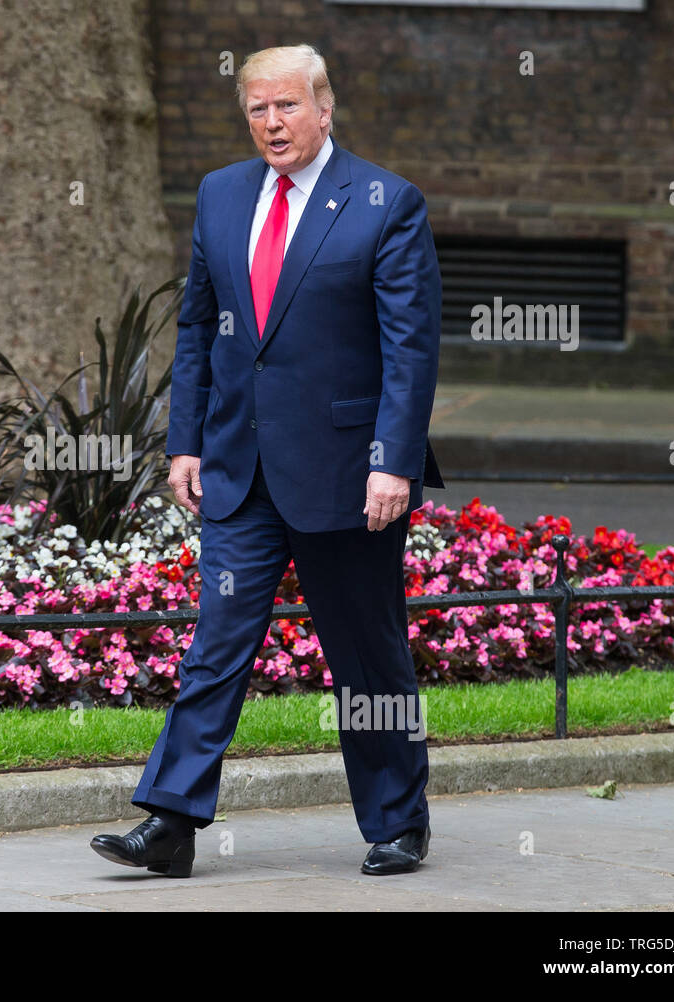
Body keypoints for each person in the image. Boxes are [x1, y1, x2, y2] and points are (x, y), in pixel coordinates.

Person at [90, 43, 444, 878]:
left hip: (350, 478)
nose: (272, 123)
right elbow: (196, 329)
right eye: (257, 108)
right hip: (240, 470)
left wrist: (391, 462)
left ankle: (398, 821)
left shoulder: (386, 202)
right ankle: (170, 822)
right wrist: (185, 441)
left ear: (325, 108)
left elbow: (411, 347)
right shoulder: (221, 195)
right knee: (215, 645)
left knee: (368, 652)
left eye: (287, 106)